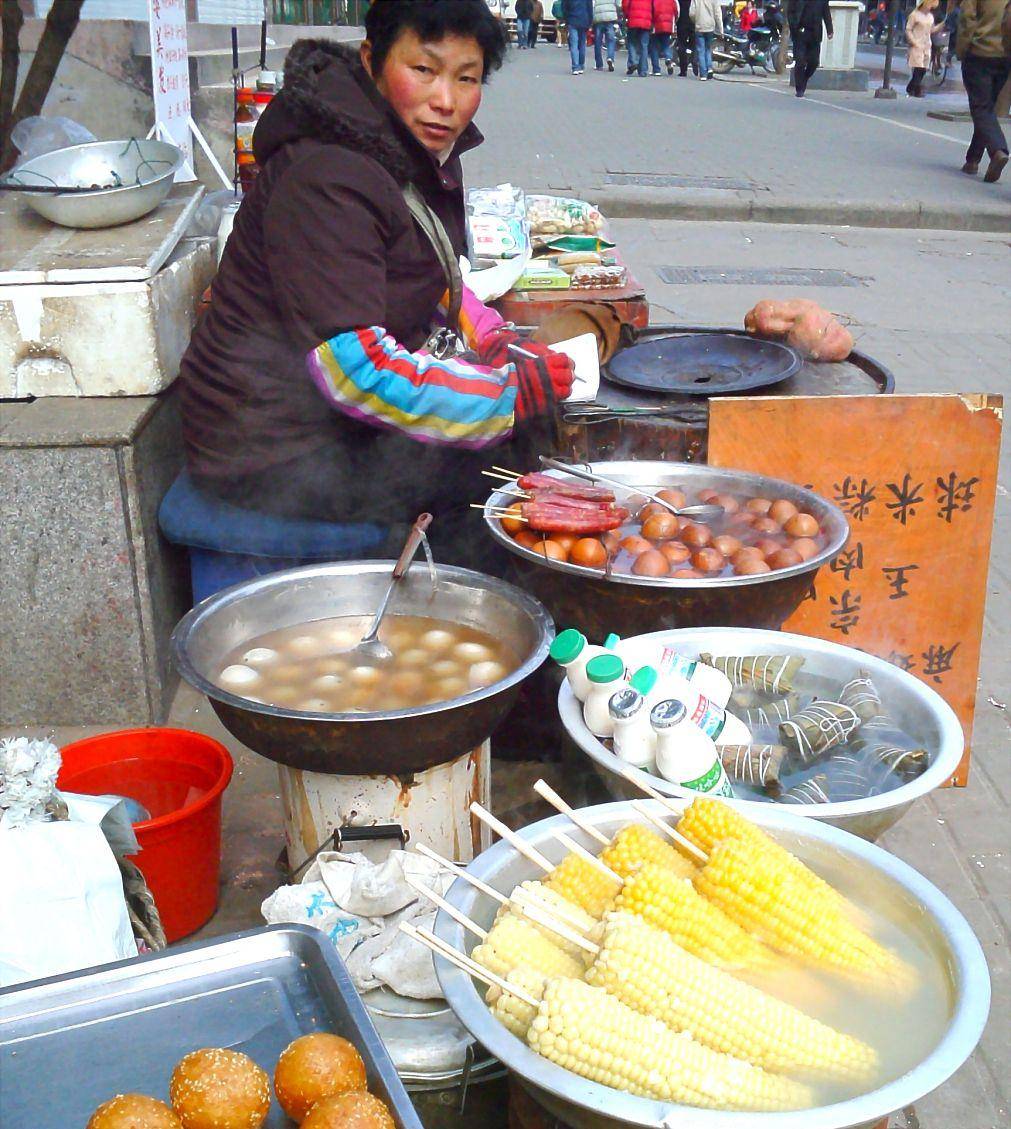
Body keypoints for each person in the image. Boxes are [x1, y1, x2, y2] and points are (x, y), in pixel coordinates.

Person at [178, 0, 574, 570]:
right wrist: (504, 395)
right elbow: (354, 369)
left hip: (321, 421)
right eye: (424, 70)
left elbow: (427, 272)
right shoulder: (327, 177)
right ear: (372, 60)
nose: (446, 100)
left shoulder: (404, 146)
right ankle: (480, 629)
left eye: (466, 78)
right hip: (266, 446)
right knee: (489, 483)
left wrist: (491, 338)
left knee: (518, 443)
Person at [957, 0, 1010, 181]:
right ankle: (973, 159)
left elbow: (967, 18)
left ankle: (997, 150)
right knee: (988, 107)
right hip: (1004, 55)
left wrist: (963, 49)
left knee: (981, 107)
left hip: (980, 52)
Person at [788, 0, 833, 94]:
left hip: (815, 34)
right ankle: (799, 88)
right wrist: (793, 27)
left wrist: (830, 29)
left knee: (814, 62)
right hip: (800, 33)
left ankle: (804, 78)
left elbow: (826, 13)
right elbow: (790, 11)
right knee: (800, 61)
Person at [905, 0, 939, 93]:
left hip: (927, 45)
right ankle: (914, 88)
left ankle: (913, 87)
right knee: (918, 67)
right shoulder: (914, 15)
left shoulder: (930, 17)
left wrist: (942, 25)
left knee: (924, 68)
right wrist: (913, 41)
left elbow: (931, 30)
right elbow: (908, 29)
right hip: (917, 45)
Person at [691, 0, 724, 77]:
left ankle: (703, 74)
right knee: (708, 49)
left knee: (701, 51)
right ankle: (709, 68)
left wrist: (695, 21)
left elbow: (692, 13)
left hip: (699, 27)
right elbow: (718, 14)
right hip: (710, 27)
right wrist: (721, 30)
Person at [623, 0, 655, 74]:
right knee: (644, 45)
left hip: (633, 20)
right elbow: (654, 6)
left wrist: (627, 15)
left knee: (632, 42)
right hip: (646, 21)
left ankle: (634, 62)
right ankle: (643, 70)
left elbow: (625, 4)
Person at [650, 0, 679, 73]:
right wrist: (674, 22)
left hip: (656, 25)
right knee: (666, 44)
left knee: (654, 47)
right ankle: (668, 58)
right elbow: (676, 11)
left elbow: (651, 10)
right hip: (668, 24)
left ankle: (656, 70)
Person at [563, 0, 594, 69]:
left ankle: (575, 66)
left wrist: (566, 20)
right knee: (582, 44)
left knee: (574, 44)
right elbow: (590, 9)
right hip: (584, 21)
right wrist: (590, 22)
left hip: (572, 20)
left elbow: (564, 8)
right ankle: (581, 65)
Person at [593, 0, 621, 68]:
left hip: (598, 17)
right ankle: (610, 57)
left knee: (598, 42)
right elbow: (619, 4)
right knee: (611, 40)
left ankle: (599, 64)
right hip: (610, 17)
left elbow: (592, 4)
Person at [676, 0, 698, 71]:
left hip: (682, 23)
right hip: (693, 23)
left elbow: (677, 9)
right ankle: (694, 60)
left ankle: (683, 69)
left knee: (682, 45)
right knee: (694, 45)